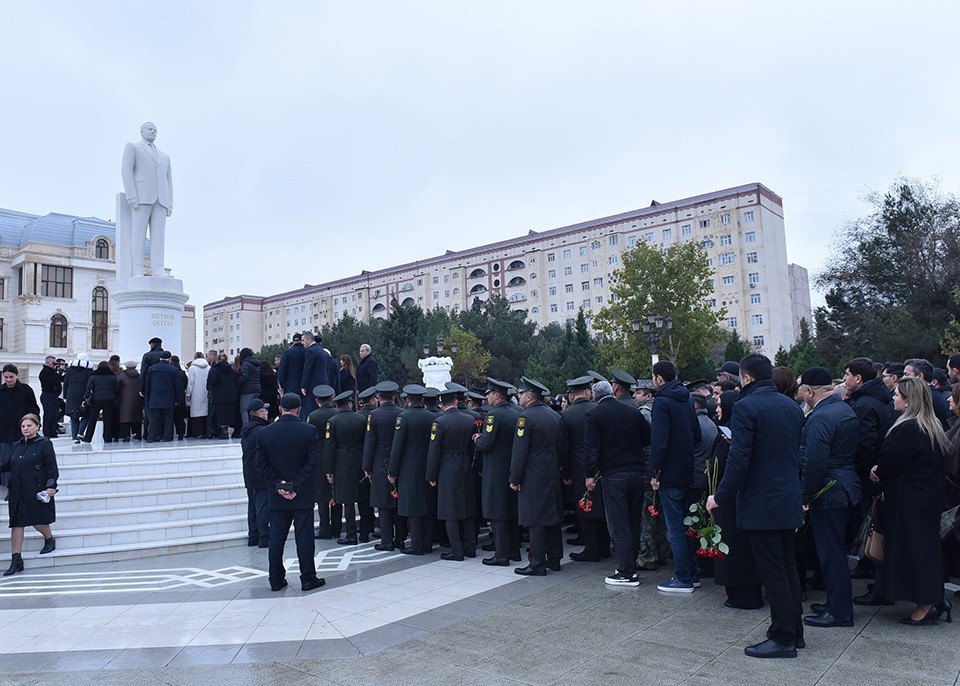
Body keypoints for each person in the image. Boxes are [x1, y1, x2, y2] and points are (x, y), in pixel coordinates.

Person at [708, 354, 805, 659]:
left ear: (746, 378)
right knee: (787, 567)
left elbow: (739, 460)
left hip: (762, 503)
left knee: (773, 572)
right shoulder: (791, 405)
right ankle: (794, 632)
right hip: (787, 497)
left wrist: (719, 496)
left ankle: (782, 637)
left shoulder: (748, 407)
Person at [869, 376, 949, 625]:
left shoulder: (909, 428)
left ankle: (927, 605)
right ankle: (933, 600)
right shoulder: (931, 426)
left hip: (908, 502)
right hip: (924, 499)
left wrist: (877, 471)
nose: (893, 397)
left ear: (909, 400)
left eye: (897, 395)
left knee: (916, 554)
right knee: (924, 552)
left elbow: (891, 463)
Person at [796, 367, 860, 629]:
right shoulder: (842, 408)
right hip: (844, 485)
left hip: (829, 490)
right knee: (833, 551)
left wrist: (804, 494)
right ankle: (836, 602)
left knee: (831, 553)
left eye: (801, 389)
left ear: (810, 391)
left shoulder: (821, 418)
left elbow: (815, 462)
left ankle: (839, 611)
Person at [254, 393, 325, 593]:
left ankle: (276, 579)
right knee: (304, 538)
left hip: (277, 496)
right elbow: (313, 463)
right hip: (301, 495)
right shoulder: (309, 431)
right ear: (299, 410)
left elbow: (261, 465)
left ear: (279, 409)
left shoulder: (265, 433)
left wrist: (280, 486)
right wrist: (295, 485)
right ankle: (308, 578)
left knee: (276, 538)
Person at [583, 379, 651, 585]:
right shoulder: (632, 411)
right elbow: (647, 438)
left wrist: (589, 475)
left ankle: (626, 571)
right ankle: (632, 564)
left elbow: (591, 448)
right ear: (612, 391)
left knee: (618, 523)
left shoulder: (594, 414)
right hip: (637, 472)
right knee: (633, 521)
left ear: (594, 397)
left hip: (613, 474)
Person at [649, 360, 701, 593]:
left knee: (675, 528)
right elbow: (696, 434)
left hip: (669, 473)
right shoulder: (687, 399)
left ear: (659, 378)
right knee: (684, 524)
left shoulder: (662, 402)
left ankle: (683, 577)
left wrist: (655, 472)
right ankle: (692, 572)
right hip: (687, 469)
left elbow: (659, 443)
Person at [843, 356, 896, 582]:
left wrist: (855, 468)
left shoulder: (865, 404)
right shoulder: (877, 399)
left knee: (869, 524)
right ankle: (870, 567)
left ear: (858, 377)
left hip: (867, 475)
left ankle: (872, 569)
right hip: (874, 472)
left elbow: (865, 443)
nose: (844, 379)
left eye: (847, 375)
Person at [711, 391, 763, 610]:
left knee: (738, 548)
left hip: (732, 500)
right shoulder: (725, 433)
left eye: (720, 404)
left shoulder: (734, 436)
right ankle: (735, 591)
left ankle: (745, 594)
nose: (716, 409)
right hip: (727, 498)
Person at [509, 377, 563, 576]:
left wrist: (515, 477)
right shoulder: (553, 415)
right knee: (552, 515)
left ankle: (537, 562)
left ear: (529, 396)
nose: (519, 396)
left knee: (535, 518)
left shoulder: (525, 418)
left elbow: (520, 451)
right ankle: (555, 559)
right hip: (551, 469)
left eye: (521, 393)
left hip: (533, 472)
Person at [426, 386, 479, 561]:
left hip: (447, 468)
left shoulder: (439, 423)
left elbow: (434, 452)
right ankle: (470, 547)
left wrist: (431, 476)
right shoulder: (469, 419)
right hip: (465, 464)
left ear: (441, 404)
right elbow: (473, 448)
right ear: (456, 402)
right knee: (468, 507)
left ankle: (456, 550)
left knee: (450, 510)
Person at [559, 376, 608, 563]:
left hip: (578, 465)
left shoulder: (566, 414)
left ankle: (590, 548)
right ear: (588, 392)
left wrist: (565, 472)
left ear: (572, 394)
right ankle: (604, 546)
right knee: (601, 505)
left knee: (585, 507)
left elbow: (564, 447)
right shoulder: (598, 409)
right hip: (601, 464)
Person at [1, 414, 58, 576]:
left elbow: (51, 466)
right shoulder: (17, 445)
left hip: (35, 488)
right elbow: (9, 464)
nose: (25, 429)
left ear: (37, 426)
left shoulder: (44, 444)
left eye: (29, 426)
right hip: (17, 490)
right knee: (16, 524)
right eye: (23, 426)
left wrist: (51, 485)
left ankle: (49, 538)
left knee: (36, 521)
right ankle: (16, 559)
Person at [474, 377, 522, 565]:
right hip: (510, 467)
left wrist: (477, 439)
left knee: (497, 513)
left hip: (495, 470)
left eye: (488, 394)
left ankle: (501, 554)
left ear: (496, 394)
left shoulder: (493, 416)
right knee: (511, 511)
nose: (487, 398)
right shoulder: (515, 413)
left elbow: (486, 444)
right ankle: (514, 551)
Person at [121, 122, 173, 278]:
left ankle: (158, 269)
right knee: (138, 234)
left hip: (161, 200)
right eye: (150, 129)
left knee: (159, 237)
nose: (153, 131)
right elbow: (126, 170)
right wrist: (131, 194)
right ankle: (137, 268)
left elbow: (169, 181)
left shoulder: (165, 157)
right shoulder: (133, 147)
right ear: (142, 131)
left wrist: (170, 202)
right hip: (141, 197)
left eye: (155, 130)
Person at [388, 384, 435, 555]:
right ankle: (427, 543)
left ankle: (416, 545)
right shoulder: (431, 417)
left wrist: (392, 471)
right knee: (427, 504)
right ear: (422, 400)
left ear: (407, 400)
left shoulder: (403, 417)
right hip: (428, 464)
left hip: (409, 466)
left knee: (413, 506)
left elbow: (397, 446)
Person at [362, 381, 405, 550]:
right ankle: (400, 538)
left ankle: (386, 540)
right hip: (399, 460)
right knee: (398, 501)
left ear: (379, 397)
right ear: (394, 396)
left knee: (383, 503)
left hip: (379, 460)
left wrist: (367, 466)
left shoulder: (374, 415)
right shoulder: (402, 413)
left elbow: (370, 442)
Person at [633, 379, 668, 572]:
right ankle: (662, 551)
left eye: (638, 392)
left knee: (647, 514)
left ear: (649, 395)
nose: (634, 396)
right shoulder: (664, 409)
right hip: (663, 468)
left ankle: (647, 556)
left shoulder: (645, 413)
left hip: (647, 469)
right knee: (659, 512)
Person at [324, 390, 366, 545]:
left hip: (342, 462)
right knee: (363, 498)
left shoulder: (333, 422)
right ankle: (365, 532)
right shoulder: (361, 418)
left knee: (348, 501)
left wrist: (329, 470)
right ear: (350, 404)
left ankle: (351, 534)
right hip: (359, 458)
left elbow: (330, 448)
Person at [240, 399, 271, 548]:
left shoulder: (246, 430)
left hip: (248, 472)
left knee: (252, 506)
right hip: (260, 474)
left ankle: (253, 536)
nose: (267, 413)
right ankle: (264, 538)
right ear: (259, 413)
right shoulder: (261, 431)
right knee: (262, 506)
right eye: (265, 411)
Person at [0, 365, 41, 462]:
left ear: (17, 375)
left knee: (23, 462)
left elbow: (33, 409)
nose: (8, 380)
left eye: (11, 377)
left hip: (22, 433)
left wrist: (34, 425)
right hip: (4, 434)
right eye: (6, 377)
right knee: (5, 463)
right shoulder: (1, 391)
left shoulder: (25, 390)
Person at [143, 351, 183, 442]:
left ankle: (152, 437)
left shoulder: (151, 369)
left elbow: (147, 384)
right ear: (169, 359)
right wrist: (178, 399)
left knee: (154, 419)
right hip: (169, 398)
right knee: (168, 420)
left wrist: (148, 397)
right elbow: (178, 386)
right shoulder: (174, 370)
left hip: (154, 397)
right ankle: (167, 437)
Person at [300, 332, 337, 417]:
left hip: (313, 386)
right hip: (324, 384)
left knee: (312, 411)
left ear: (309, 339)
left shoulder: (311, 351)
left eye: (303, 340)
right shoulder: (322, 351)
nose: (302, 343)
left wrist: (303, 385)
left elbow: (307, 369)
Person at [81, 361, 119, 443]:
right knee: (107, 419)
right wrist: (116, 398)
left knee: (93, 419)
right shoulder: (112, 376)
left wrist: (85, 398)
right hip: (109, 399)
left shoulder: (93, 375)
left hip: (96, 399)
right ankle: (107, 438)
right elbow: (116, 388)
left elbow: (88, 388)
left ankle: (88, 438)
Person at [207, 354, 239, 439]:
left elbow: (211, 382)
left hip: (219, 395)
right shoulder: (232, 370)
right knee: (229, 414)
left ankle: (223, 432)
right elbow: (237, 380)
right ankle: (227, 431)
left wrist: (209, 388)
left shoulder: (215, 369)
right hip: (232, 395)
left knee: (220, 415)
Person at [63, 353, 93, 442]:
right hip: (84, 395)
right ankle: (80, 433)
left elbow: (65, 383)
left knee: (73, 416)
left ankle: (74, 436)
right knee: (86, 414)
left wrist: (65, 396)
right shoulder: (89, 371)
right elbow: (90, 385)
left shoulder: (70, 370)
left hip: (71, 394)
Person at [277, 333, 306, 410]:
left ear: (293, 341)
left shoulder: (288, 352)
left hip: (291, 386)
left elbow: (281, 372)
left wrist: (283, 386)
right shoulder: (307, 351)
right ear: (301, 340)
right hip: (306, 386)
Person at [116, 361, 143, 441]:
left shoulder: (122, 376)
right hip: (137, 399)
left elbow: (117, 387)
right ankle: (138, 434)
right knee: (137, 416)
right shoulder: (139, 376)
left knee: (125, 417)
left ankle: (126, 435)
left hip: (125, 399)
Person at [38, 356, 63, 439]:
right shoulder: (45, 372)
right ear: (47, 363)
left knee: (54, 416)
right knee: (48, 415)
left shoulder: (52, 372)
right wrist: (58, 372)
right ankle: (47, 434)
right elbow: (53, 381)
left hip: (54, 396)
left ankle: (53, 433)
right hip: (47, 395)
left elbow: (60, 379)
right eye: (53, 363)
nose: (54, 365)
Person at [186, 352, 210, 438]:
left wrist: (188, 394)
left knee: (196, 414)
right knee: (205, 412)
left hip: (195, 393)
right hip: (206, 392)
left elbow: (191, 383)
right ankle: (206, 432)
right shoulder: (208, 367)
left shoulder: (192, 368)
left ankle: (197, 433)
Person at [236, 348, 262, 429]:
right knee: (254, 410)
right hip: (257, 389)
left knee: (244, 409)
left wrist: (236, 382)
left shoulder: (246, 363)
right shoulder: (256, 363)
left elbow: (244, 376)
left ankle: (246, 428)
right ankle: (255, 426)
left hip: (247, 390)